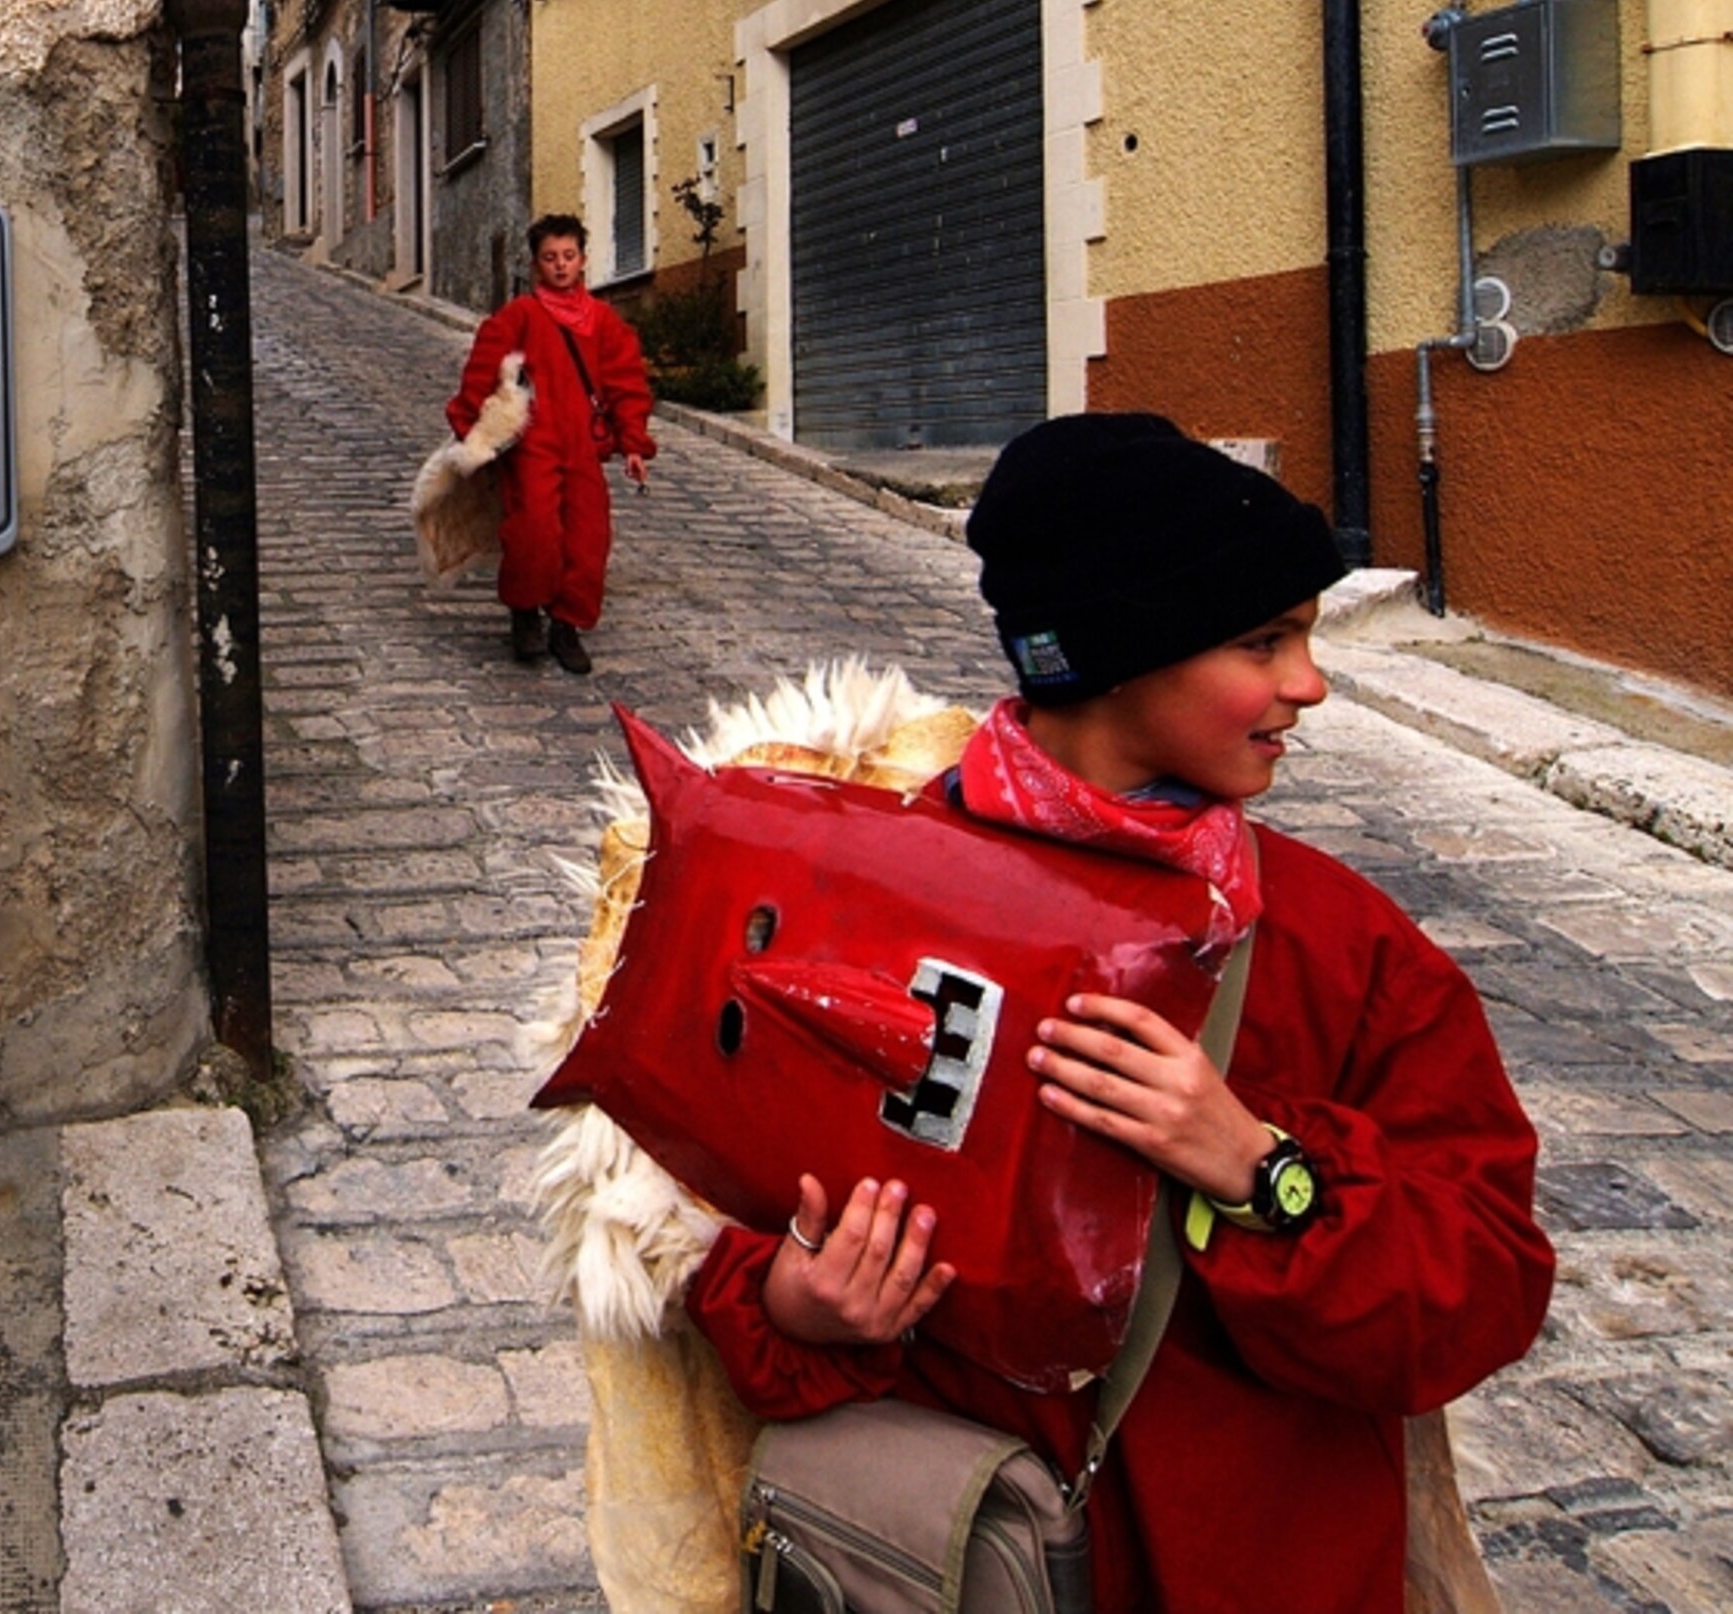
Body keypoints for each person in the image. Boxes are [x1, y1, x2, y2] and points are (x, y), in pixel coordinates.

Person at [679, 412, 1553, 1613]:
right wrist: (797, 1303)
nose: (1310, 682)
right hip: (971, 1565)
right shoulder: (868, 893)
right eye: (1264, 639)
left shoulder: (1343, 949)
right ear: (1121, 651)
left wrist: (1259, 1167)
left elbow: (1487, 1283)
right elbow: (737, 1203)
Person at [447, 215, 656, 676]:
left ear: (583, 260)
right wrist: (473, 432)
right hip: (533, 445)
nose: (560, 265)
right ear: (536, 264)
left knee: (588, 539)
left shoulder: (603, 321)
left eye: (568, 256)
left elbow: (625, 383)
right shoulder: (520, 316)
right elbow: (483, 369)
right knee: (534, 533)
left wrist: (633, 445)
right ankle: (525, 614)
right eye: (550, 258)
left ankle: (567, 624)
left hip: (583, 446)